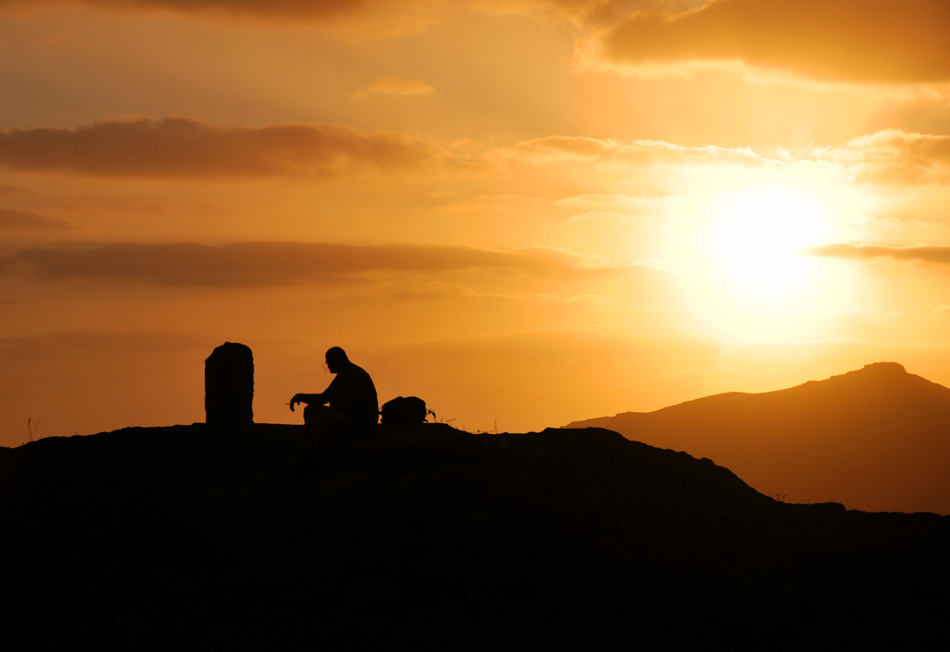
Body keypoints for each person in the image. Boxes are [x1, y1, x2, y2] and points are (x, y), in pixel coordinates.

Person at [289, 347, 378, 435]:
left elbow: (345, 404)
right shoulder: (343, 375)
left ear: (337, 360)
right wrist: (301, 396)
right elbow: (324, 398)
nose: (327, 365)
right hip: (351, 418)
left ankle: (324, 447)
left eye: (328, 362)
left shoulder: (353, 375)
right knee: (310, 410)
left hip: (361, 423)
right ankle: (311, 446)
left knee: (320, 416)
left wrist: (328, 412)